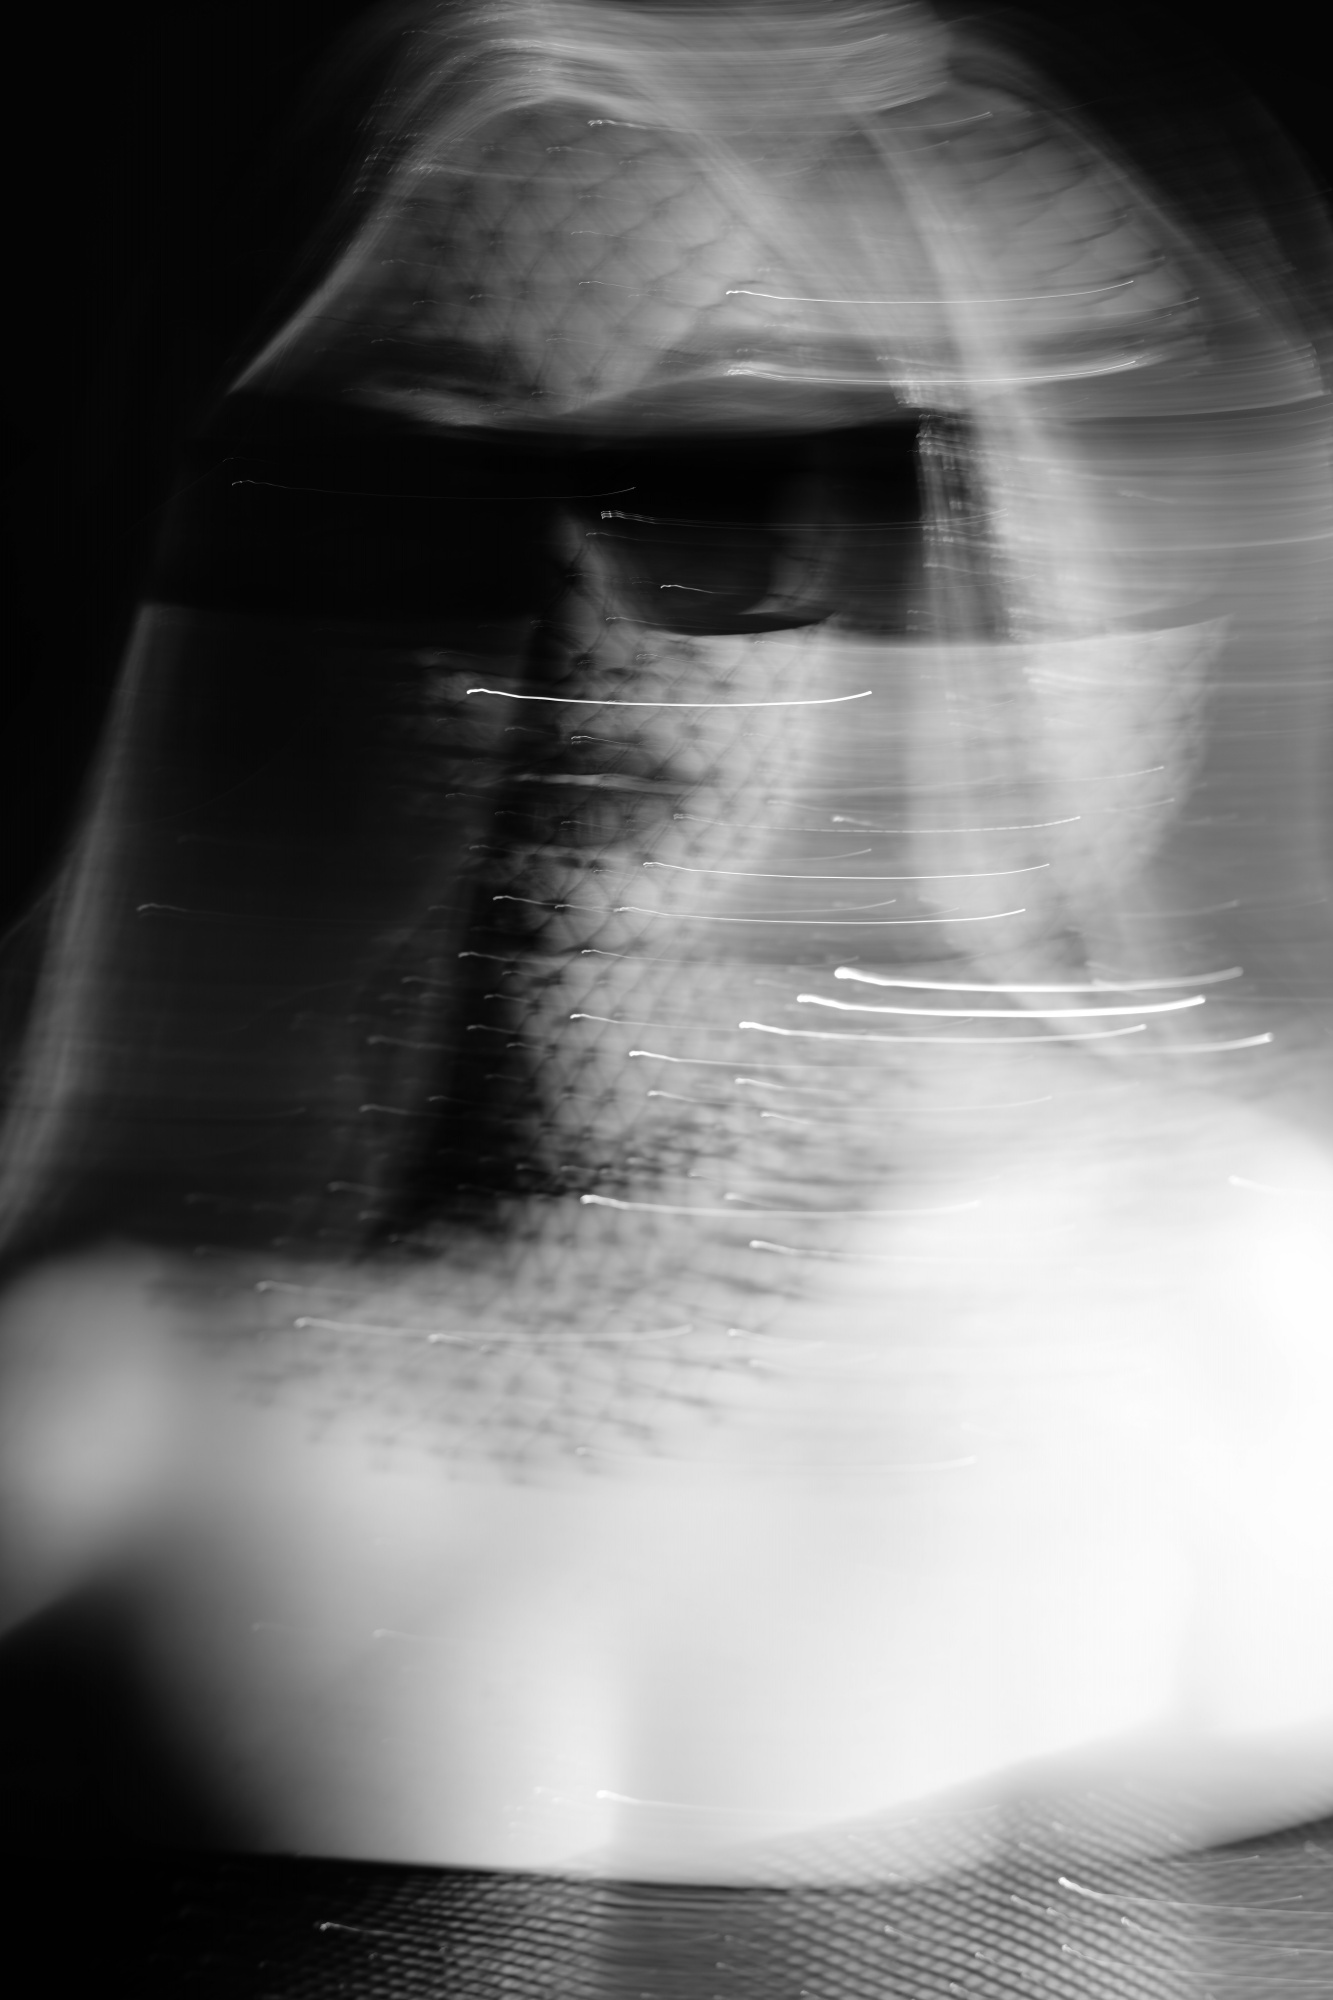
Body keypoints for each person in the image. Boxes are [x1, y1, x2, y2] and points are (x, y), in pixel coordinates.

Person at [3, 2, 1333, 1991]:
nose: (573, 623)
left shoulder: (1246, 1335)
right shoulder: (101, 1412)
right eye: (446, 489)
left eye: (715, 493)